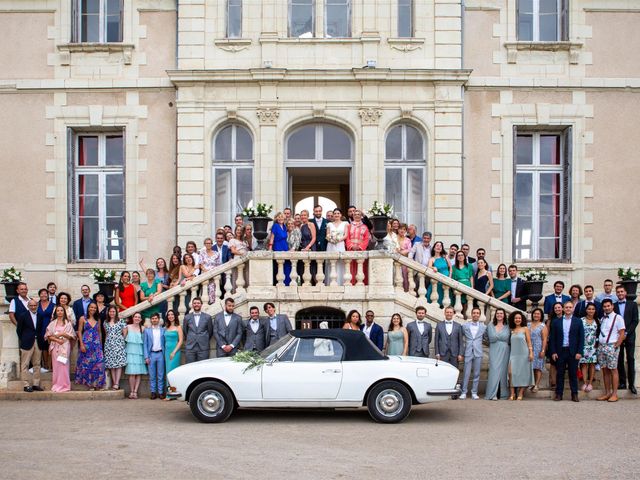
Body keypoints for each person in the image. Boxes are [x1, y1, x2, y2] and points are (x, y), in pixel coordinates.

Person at [549, 301, 584, 402]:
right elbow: (552, 338)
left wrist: (579, 352)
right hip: (560, 351)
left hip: (573, 351)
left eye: (570, 307)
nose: (568, 309)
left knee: (573, 374)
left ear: (573, 309)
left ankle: (574, 394)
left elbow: (581, 338)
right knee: (560, 374)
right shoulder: (556, 322)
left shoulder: (578, 321)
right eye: (566, 307)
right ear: (563, 309)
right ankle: (559, 394)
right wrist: (553, 352)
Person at [597, 299, 626, 402]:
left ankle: (614, 394)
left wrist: (616, 345)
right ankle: (607, 393)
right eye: (604, 306)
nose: (606, 308)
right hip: (601, 346)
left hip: (611, 346)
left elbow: (622, 333)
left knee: (613, 370)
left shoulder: (618, 318)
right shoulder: (603, 318)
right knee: (605, 370)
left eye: (608, 306)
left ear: (612, 306)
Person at [45, 305, 76, 392]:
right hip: (55, 346)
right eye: (58, 310)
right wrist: (57, 340)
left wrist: (62, 334)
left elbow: (72, 336)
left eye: (61, 310)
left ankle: (65, 386)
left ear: (64, 312)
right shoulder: (52, 323)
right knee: (56, 366)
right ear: (55, 312)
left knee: (64, 366)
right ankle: (56, 385)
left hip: (65, 347)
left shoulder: (68, 323)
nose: (59, 312)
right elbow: (48, 336)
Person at [75, 302, 105, 391]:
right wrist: (81, 344)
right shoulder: (82, 318)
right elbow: (79, 331)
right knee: (87, 364)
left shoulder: (98, 319)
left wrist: (100, 344)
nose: (93, 309)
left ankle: (97, 384)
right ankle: (90, 384)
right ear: (88, 308)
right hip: (86, 344)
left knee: (99, 364)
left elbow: (99, 331)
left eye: (95, 308)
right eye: (91, 307)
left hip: (96, 344)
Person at [16, 300, 44, 392]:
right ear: (28, 306)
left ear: (37, 305)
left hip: (37, 342)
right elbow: (19, 330)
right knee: (25, 364)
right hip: (27, 342)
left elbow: (40, 329)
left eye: (34, 305)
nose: (33, 307)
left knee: (37, 364)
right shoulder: (23, 316)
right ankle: (26, 384)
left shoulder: (40, 316)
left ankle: (36, 384)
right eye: (31, 305)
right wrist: (24, 339)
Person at [614, 284, 638, 394]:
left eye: (621, 292)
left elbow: (635, 321)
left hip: (629, 336)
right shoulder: (613, 306)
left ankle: (632, 384)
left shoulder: (632, 305)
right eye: (618, 292)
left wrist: (626, 332)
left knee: (630, 359)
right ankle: (622, 382)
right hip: (618, 337)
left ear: (625, 293)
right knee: (619, 359)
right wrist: (619, 334)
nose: (620, 293)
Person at [460, 307, 486, 400]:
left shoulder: (483, 327)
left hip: (478, 352)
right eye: (474, 313)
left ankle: (474, 392)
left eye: (477, 313)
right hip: (468, 351)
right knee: (466, 373)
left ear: (479, 315)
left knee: (476, 373)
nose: (475, 314)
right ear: (471, 314)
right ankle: (463, 392)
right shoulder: (465, 326)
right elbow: (460, 338)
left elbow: (485, 338)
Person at [484, 308, 510, 400]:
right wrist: (491, 344)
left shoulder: (508, 326)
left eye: (501, 313)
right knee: (494, 371)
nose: (499, 315)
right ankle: (492, 394)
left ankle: (503, 394)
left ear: (504, 315)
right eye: (498, 313)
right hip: (494, 350)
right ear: (495, 315)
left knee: (504, 371)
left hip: (505, 351)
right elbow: (485, 337)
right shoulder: (490, 325)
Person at [508, 311, 534, 400]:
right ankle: (512, 393)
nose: (517, 319)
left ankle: (520, 393)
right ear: (513, 319)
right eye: (516, 318)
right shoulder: (511, 330)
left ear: (522, 319)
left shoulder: (525, 329)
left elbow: (529, 342)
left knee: (523, 373)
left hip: (524, 354)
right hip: (513, 354)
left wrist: (531, 353)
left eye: (519, 318)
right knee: (511, 373)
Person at [182, 297, 213, 363]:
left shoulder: (208, 317)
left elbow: (210, 331)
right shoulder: (187, 317)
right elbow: (185, 331)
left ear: (201, 304)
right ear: (192, 305)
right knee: (189, 366)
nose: (196, 304)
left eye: (198, 303)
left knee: (203, 366)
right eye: (195, 303)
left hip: (203, 347)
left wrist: (203, 338)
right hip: (190, 347)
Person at [103, 306, 127, 390]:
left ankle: (117, 383)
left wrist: (121, 343)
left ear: (116, 312)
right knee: (111, 365)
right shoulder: (105, 322)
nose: (112, 313)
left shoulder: (121, 321)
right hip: (109, 344)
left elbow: (124, 333)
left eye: (113, 311)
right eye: (110, 311)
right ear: (108, 312)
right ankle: (114, 382)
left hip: (119, 344)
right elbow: (106, 334)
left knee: (119, 364)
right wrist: (106, 345)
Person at [124, 312, 147, 399]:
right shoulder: (128, 327)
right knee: (132, 373)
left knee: (138, 373)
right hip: (130, 352)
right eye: (135, 317)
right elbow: (123, 339)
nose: (137, 318)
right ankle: (131, 391)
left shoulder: (143, 328)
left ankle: (135, 391)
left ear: (141, 319)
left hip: (139, 352)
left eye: (139, 317)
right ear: (133, 318)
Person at [143, 312, 166, 399]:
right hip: (151, 354)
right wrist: (146, 357)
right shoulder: (147, 331)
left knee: (161, 375)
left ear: (159, 319)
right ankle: (153, 392)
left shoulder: (163, 330)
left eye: (156, 318)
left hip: (160, 354)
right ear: (151, 320)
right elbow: (145, 344)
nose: (154, 320)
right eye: (152, 318)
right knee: (152, 375)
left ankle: (160, 392)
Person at [345, 209, 370, 285]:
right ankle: (351, 283)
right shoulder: (349, 226)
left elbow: (366, 239)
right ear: (353, 216)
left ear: (361, 216)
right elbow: (347, 237)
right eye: (355, 214)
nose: (356, 215)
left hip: (360, 250)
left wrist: (360, 247)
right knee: (351, 267)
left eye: (358, 214)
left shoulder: (365, 227)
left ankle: (361, 283)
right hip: (351, 250)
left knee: (361, 266)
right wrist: (351, 246)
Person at [579, 303, 599, 393]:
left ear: (595, 310)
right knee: (583, 364)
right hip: (583, 345)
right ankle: (584, 382)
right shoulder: (581, 320)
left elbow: (599, 333)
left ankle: (590, 383)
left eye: (593, 309)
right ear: (586, 310)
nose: (591, 310)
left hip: (593, 346)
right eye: (589, 309)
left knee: (592, 364)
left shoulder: (597, 321)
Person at [325, 207, 347, 285]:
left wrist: (338, 240)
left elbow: (346, 235)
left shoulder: (345, 223)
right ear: (333, 215)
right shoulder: (329, 224)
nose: (336, 215)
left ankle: (340, 282)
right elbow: (327, 235)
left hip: (340, 244)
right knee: (331, 263)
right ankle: (330, 282)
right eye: (335, 213)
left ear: (341, 215)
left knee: (340, 262)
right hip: (331, 245)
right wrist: (331, 240)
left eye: (338, 213)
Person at [269, 212, 291, 286]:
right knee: (279, 265)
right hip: (278, 246)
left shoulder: (284, 226)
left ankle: (287, 283)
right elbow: (272, 237)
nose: (280, 218)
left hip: (285, 246)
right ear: (276, 218)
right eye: (279, 217)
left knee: (287, 266)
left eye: (282, 217)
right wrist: (270, 248)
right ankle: (279, 283)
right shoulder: (275, 226)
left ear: (284, 218)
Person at [528, 308, 548, 392]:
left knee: (538, 367)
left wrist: (543, 350)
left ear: (541, 316)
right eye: (535, 313)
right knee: (530, 366)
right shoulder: (528, 324)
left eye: (538, 314)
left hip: (539, 347)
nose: (536, 315)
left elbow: (544, 339)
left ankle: (536, 384)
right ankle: (531, 383)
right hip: (529, 348)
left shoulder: (543, 326)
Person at [427, 241, 451, 306]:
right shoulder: (432, 259)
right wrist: (433, 267)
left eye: (440, 246)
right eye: (437, 245)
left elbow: (450, 268)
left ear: (442, 249)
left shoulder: (445, 258)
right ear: (434, 248)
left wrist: (449, 278)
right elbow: (428, 267)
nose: (439, 247)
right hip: (437, 283)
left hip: (446, 282)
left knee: (446, 301)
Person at [545, 302, 563, 390]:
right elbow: (547, 331)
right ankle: (553, 382)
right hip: (553, 343)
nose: (557, 309)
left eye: (559, 308)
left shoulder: (566, 318)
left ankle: (560, 383)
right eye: (555, 308)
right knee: (553, 364)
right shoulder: (551, 319)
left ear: (562, 308)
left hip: (563, 344)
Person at [451, 250, 474, 317]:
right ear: (457, 257)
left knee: (466, 304)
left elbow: (471, 277)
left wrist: (472, 287)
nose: (460, 257)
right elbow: (453, 278)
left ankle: (465, 319)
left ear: (464, 257)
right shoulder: (454, 267)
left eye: (462, 255)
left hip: (467, 285)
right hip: (458, 286)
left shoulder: (469, 266)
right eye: (458, 255)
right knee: (458, 303)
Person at [36, 288, 54, 371]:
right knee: (43, 347)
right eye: (41, 293)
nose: (43, 295)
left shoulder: (53, 305)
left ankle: (51, 366)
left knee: (50, 346)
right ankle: (45, 365)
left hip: (50, 328)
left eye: (45, 293)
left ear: (48, 295)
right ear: (39, 295)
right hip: (39, 328)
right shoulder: (36, 305)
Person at [164, 309, 183, 375]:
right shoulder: (166, 327)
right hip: (167, 351)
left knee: (172, 370)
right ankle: (168, 385)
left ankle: (173, 385)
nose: (170, 316)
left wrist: (174, 352)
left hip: (174, 351)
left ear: (175, 316)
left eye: (172, 314)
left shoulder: (178, 327)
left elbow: (180, 340)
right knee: (168, 370)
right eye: (169, 315)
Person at [396, 224, 412, 291]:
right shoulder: (394, 238)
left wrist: (401, 252)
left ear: (406, 231)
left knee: (405, 276)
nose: (402, 230)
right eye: (400, 229)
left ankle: (405, 291)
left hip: (404, 261)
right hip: (394, 261)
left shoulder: (408, 240)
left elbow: (409, 250)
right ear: (398, 229)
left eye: (404, 229)